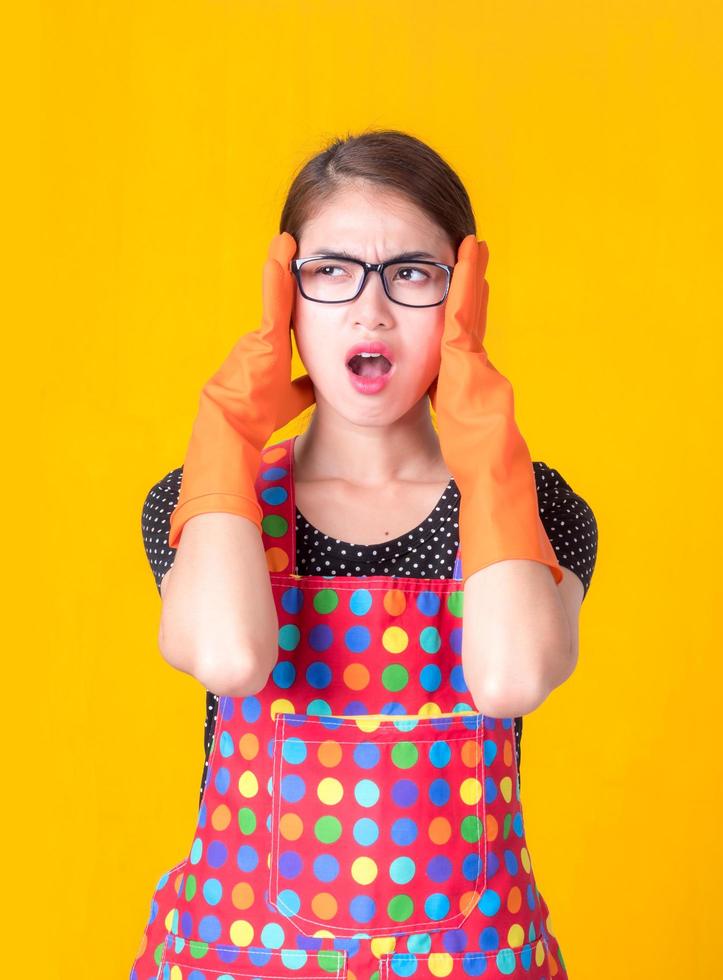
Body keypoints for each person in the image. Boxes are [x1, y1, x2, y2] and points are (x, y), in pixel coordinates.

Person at [130, 130, 598, 980]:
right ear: (287, 299)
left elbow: (510, 680)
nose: (370, 311)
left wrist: (487, 443)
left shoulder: (534, 510)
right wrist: (228, 428)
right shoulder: (206, 506)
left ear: (465, 300)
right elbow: (232, 658)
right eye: (331, 271)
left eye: (412, 274)